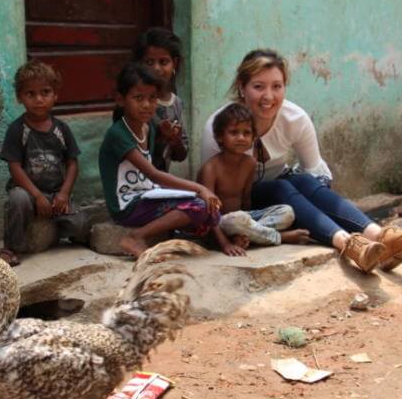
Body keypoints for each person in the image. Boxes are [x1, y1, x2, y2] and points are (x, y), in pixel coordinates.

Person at [201, 49, 402, 273]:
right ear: (242, 87)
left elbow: (315, 172)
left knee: (301, 181)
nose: (268, 97)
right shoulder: (221, 126)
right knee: (283, 185)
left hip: (285, 201)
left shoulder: (294, 118)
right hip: (247, 210)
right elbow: (213, 195)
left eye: (277, 86)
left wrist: (313, 212)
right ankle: (348, 245)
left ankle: (380, 237)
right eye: (258, 87)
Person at [99, 63, 222, 258]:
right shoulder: (118, 134)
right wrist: (199, 188)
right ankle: (136, 236)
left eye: (152, 98)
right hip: (127, 205)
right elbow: (153, 174)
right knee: (199, 204)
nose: (147, 105)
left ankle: (199, 236)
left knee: (211, 210)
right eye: (138, 98)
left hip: (147, 194)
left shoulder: (148, 127)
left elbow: (159, 166)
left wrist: (168, 139)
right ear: (121, 100)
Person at [0, 60, 88, 266]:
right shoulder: (17, 129)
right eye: (30, 94)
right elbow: (14, 167)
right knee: (17, 200)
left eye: (45, 92)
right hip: (29, 193)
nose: (38, 99)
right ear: (20, 97)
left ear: (55, 95)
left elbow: (72, 163)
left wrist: (64, 194)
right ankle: (11, 247)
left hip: (56, 196)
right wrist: (37, 196)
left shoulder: (61, 129)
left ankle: (56, 230)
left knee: (82, 225)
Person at [199, 103, 311, 256]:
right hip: (218, 224)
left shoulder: (250, 163)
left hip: (243, 220)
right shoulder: (211, 169)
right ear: (220, 136)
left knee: (287, 211)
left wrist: (248, 226)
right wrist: (225, 244)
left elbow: (246, 200)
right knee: (237, 220)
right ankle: (279, 237)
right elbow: (208, 212)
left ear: (253, 138)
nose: (241, 138)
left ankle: (247, 236)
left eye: (246, 133)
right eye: (234, 132)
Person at [132, 27, 189, 172]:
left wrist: (175, 139)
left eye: (163, 62)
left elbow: (181, 155)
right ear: (140, 64)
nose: (156, 69)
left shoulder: (176, 104)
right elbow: (134, 150)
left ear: (174, 64)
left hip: (160, 182)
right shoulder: (133, 102)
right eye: (149, 62)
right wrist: (160, 136)